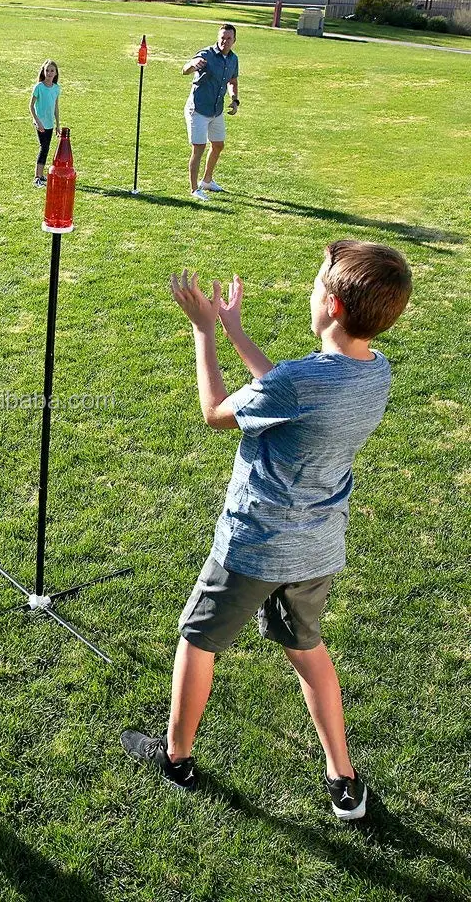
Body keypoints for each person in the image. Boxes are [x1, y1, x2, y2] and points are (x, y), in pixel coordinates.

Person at [122, 240, 412, 821]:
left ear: (329, 303)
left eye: (314, 283)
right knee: (306, 648)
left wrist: (204, 330)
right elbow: (286, 393)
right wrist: (237, 333)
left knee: (198, 640)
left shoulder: (302, 380)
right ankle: (343, 780)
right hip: (319, 548)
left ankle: (175, 758)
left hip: (254, 546)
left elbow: (217, 412)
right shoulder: (375, 372)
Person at [182, 24, 239, 202]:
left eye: (229, 38)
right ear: (218, 37)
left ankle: (207, 181)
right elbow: (185, 69)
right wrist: (192, 64)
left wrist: (235, 99)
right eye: (222, 37)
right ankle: (194, 189)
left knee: (218, 145)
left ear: (234, 41)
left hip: (216, 110)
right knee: (198, 148)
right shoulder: (206, 54)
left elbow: (232, 81)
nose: (225, 41)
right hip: (198, 109)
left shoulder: (233, 59)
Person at [29, 59, 61, 187]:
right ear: (43, 71)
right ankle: (37, 177)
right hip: (40, 123)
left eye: (52, 71)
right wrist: (37, 121)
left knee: (46, 148)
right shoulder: (39, 87)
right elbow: (31, 106)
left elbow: (56, 107)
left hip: (49, 123)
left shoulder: (56, 88)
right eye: (47, 70)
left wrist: (58, 125)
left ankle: (41, 175)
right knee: (44, 147)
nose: (49, 73)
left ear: (56, 73)